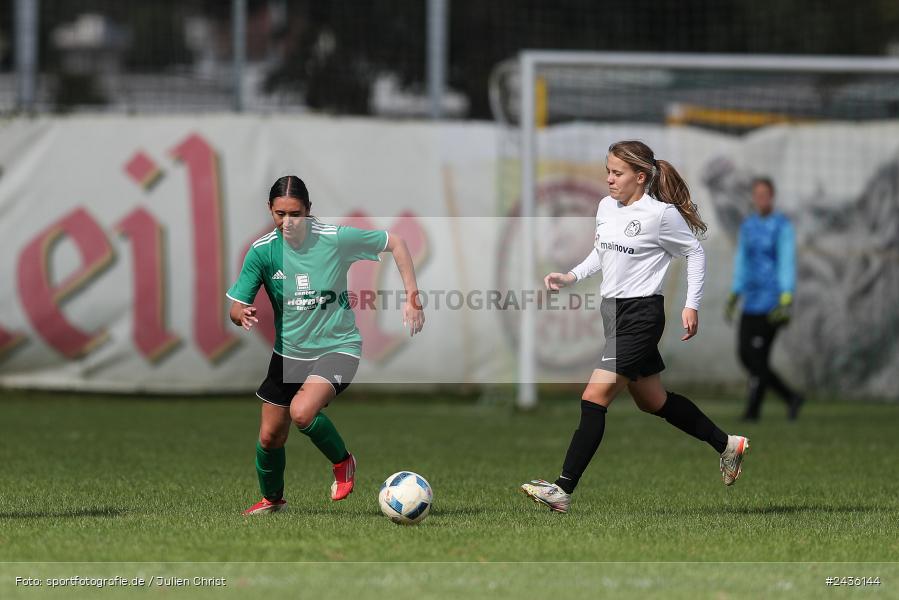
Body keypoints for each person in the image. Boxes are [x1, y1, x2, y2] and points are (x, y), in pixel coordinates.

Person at [520, 140, 749, 514]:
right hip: (613, 314)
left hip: (642, 316)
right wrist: (571, 275)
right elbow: (602, 251)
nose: (609, 179)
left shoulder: (661, 215)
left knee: (594, 397)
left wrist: (691, 305)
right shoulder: (606, 207)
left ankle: (562, 489)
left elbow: (694, 252)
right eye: (607, 171)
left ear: (640, 177)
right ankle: (727, 445)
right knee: (652, 401)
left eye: (617, 173)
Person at [227, 175, 424, 515]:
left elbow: (397, 243)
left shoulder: (334, 239)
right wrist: (239, 313)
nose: (288, 222)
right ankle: (273, 501)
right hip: (288, 355)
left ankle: (343, 462)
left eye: (295, 214)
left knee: (302, 412)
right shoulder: (262, 252)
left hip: (338, 347)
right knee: (270, 437)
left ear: (309, 210)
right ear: (269, 211)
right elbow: (233, 306)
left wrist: (413, 299)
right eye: (280, 214)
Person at [724, 177, 804, 421]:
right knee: (746, 356)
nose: (761, 198)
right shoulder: (748, 226)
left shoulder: (782, 226)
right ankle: (791, 397)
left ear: (772, 196)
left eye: (765, 194)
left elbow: (786, 261)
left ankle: (752, 412)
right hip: (751, 300)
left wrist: (786, 296)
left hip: (772, 301)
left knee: (758, 359)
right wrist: (735, 293)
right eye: (757, 194)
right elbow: (742, 261)